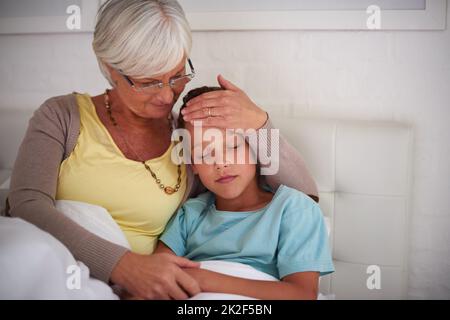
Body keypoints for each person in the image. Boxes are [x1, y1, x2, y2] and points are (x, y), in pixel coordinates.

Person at [4, 0, 318, 300]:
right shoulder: (62, 115)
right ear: (111, 68)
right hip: (59, 260)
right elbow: (27, 204)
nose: (168, 96)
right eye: (150, 82)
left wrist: (260, 125)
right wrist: (123, 266)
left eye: (177, 75)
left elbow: (304, 197)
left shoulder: (190, 138)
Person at [152, 87, 334, 300]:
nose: (221, 163)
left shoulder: (293, 208)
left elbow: (302, 295)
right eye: (204, 154)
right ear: (193, 165)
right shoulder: (190, 214)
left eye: (233, 146)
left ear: (255, 148)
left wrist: (207, 280)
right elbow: (155, 278)